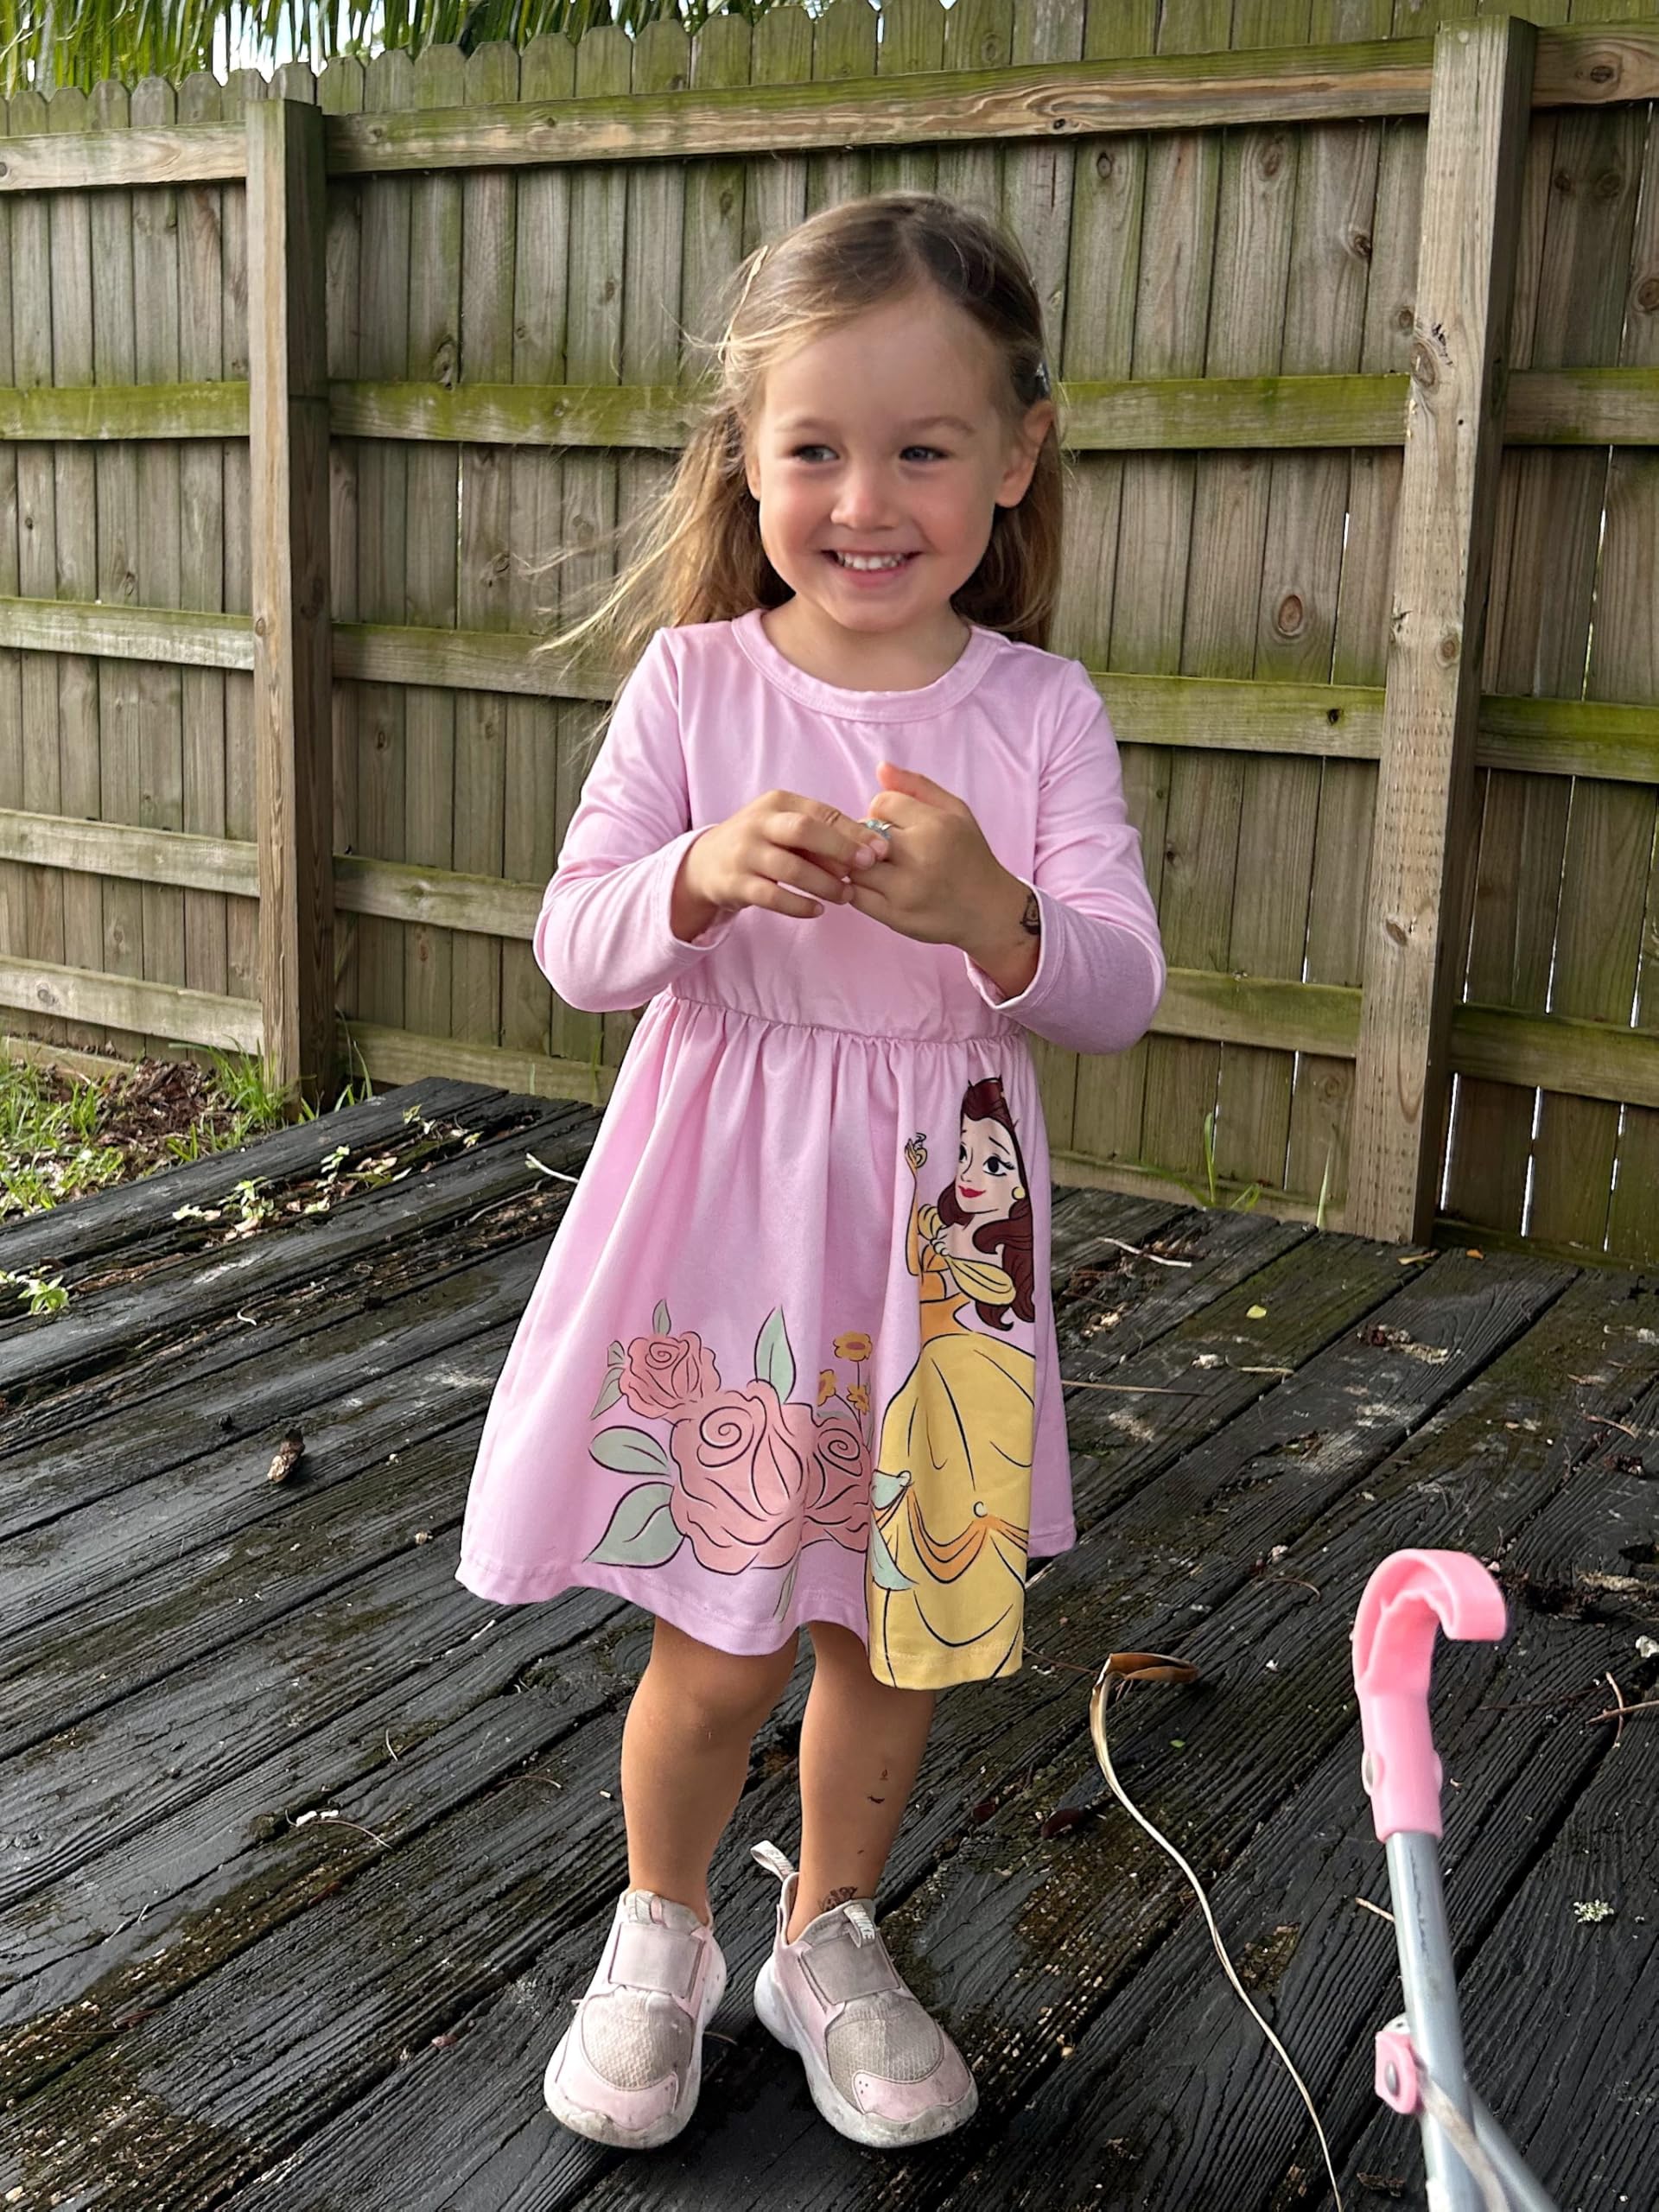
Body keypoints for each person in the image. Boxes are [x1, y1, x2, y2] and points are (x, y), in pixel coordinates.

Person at [455, 191, 1166, 2154]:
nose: (867, 500)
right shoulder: (696, 687)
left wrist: (993, 912)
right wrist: (691, 875)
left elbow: (1116, 986)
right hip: (734, 1237)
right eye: (817, 450)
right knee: (719, 1634)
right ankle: (665, 1924)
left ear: (1014, 456)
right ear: (748, 458)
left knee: (897, 1629)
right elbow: (576, 939)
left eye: (923, 448)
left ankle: (826, 1929)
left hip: (946, 1244)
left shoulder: (1037, 712)